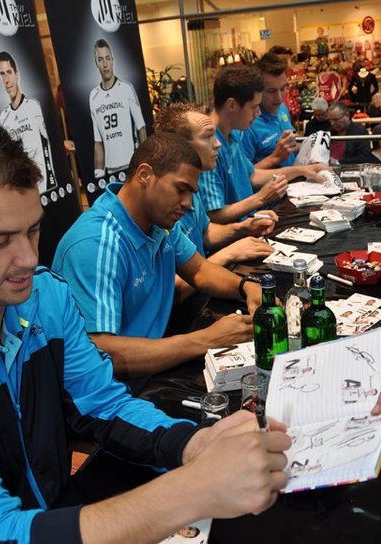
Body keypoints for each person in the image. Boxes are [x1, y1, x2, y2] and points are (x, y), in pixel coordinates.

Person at [0, 115, 291, 544]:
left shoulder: (45, 298)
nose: (29, 257)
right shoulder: (80, 257)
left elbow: (101, 403)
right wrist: (192, 489)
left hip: (52, 527)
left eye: (32, 231)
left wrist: (193, 444)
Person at [53, 132, 263, 384]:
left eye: (191, 193)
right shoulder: (96, 243)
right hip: (117, 392)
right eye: (181, 189)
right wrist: (206, 340)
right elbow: (102, 352)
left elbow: (199, 270)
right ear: (144, 175)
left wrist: (247, 286)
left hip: (155, 367)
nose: (188, 204)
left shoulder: (159, 222)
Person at [200, 64, 329, 225]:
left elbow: (252, 175)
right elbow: (213, 215)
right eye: (254, 107)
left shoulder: (233, 134)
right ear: (232, 105)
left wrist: (302, 170)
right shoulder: (208, 147)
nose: (258, 113)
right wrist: (260, 198)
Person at [154, 102, 277, 265]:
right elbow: (174, 279)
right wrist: (229, 254)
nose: (217, 144)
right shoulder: (162, 205)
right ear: (180, 146)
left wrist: (243, 228)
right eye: (207, 137)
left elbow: (204, 233)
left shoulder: (192, 186)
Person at [0, 50, 57, 195]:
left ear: (17, 74)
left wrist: (50, 181)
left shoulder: (34, 106)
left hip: (44, 186)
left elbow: (49, 145)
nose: (6, 80)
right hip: (23, 190)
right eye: (2, 74)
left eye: (9, 72)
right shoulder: (3, 117)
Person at [90, 38, 147, 184]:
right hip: (110, 171)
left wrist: (144, 161)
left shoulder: (126, 88)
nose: (105, 64)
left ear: (113, 61)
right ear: (96, 63)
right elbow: (98, 142)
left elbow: (141, 128)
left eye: (107, 58)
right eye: (100, 60)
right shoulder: (93, 96)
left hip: (132, 165)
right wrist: (99, 175)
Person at [242, 52, 298, 169]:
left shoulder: (282, 108)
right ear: (257, 90)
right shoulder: (247, 125)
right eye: (271, 91)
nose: (279, 97)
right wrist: (274, 158)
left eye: (283, 88)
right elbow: (243, 175)